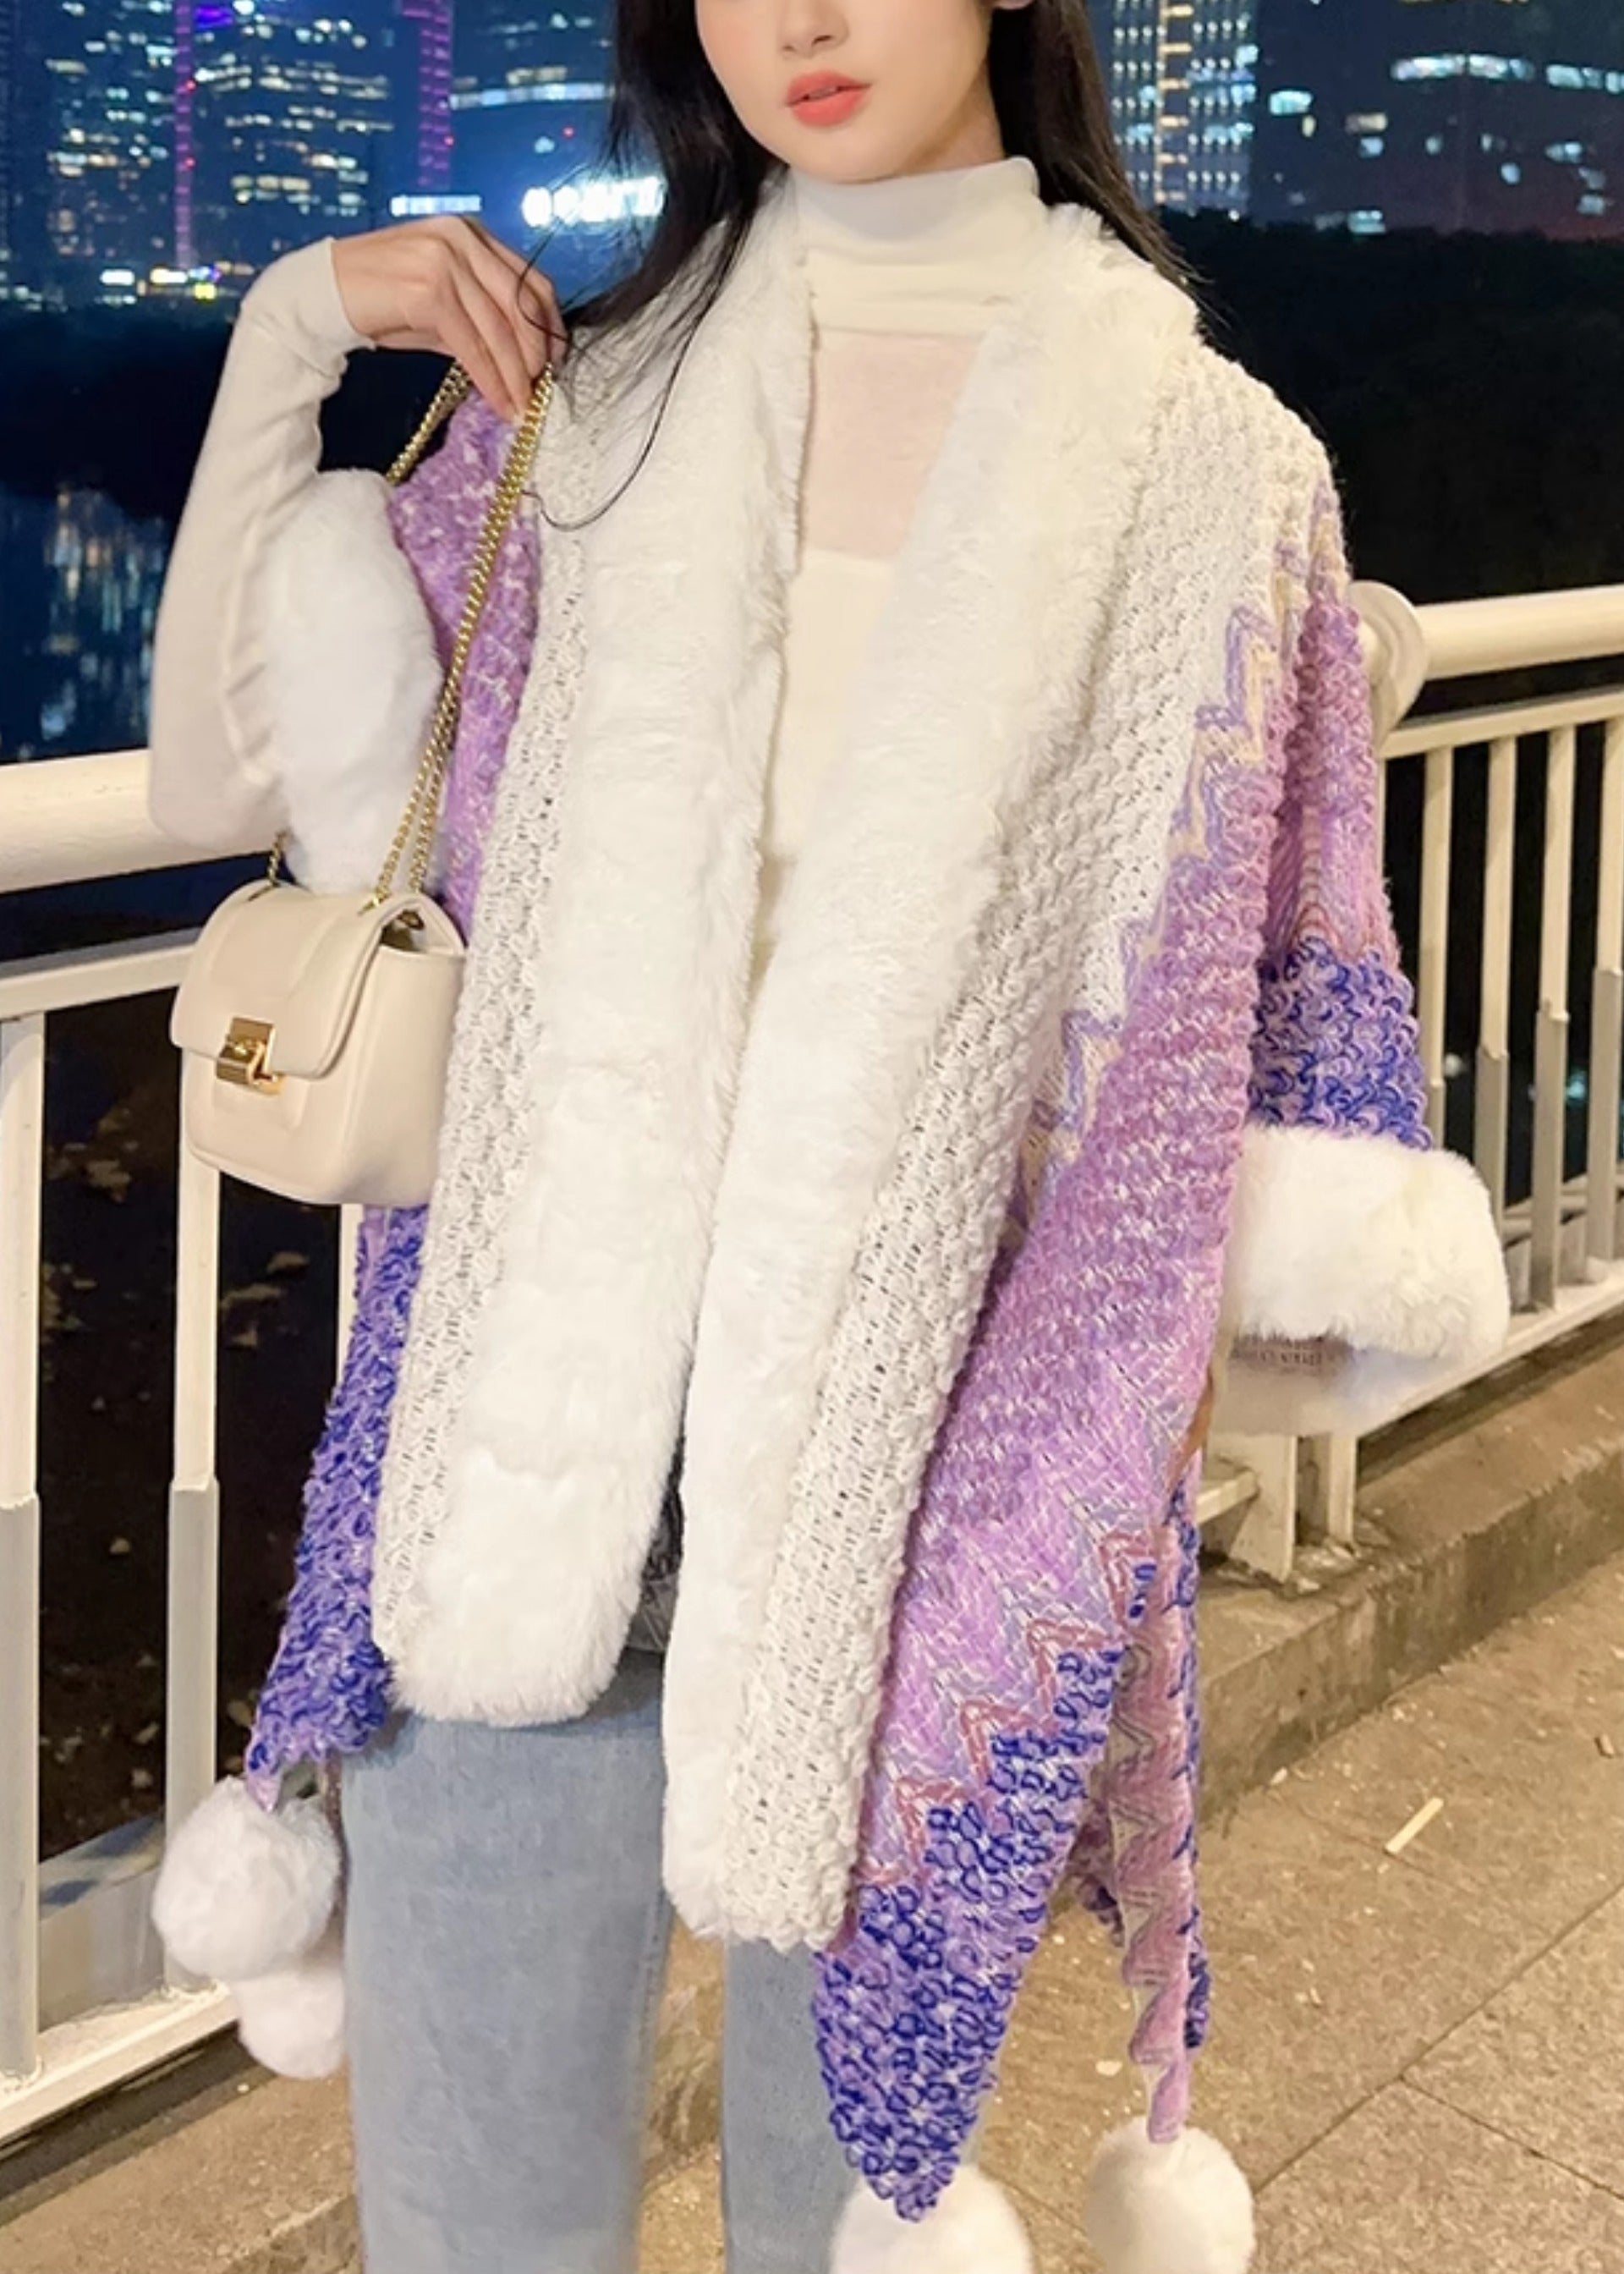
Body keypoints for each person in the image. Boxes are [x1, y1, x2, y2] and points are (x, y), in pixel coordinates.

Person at [144, 2, 1511, 2268]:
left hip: (927, 1512)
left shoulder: (1211, 473)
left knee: (836, 2229)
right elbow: (218, 779)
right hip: (521, 1468)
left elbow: (1272, 986)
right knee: (472, 2232)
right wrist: (295, 324)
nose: (799, 19)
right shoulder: (593, 415)